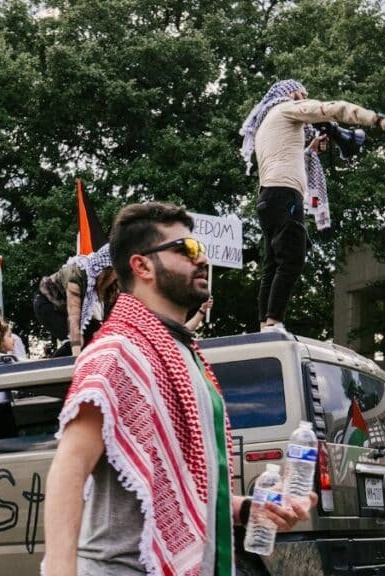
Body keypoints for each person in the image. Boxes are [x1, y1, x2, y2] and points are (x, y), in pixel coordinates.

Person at [42, 202, 313, 576]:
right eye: (186, 250)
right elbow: (69, 468)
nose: (201, 260)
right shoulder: (118, 351)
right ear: (142, 265)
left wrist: (248, 508)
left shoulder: (184, 354)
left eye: (200, 249)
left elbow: (183, 488)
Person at [239, 79, 385, 332]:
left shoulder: (267, 123)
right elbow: (332, 108)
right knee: (292, 259)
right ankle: (275, 322)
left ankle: (266, 323)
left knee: (273, 264)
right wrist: (378, 119)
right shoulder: (286, 108)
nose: (304, 98)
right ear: (290, 93)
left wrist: (310, 150)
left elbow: (284, 156)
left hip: (268, 198)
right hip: (285, 194)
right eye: (302, 94)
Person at [33, 244, 118, 357]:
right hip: (47, 303)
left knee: (99, 336)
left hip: (65, 306)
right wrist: (76, 355)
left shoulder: (111, 286)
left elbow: (109, 322)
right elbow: (73, 319)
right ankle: (50, 370)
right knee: (74, 341)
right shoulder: (76, 277)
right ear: (107, 271)